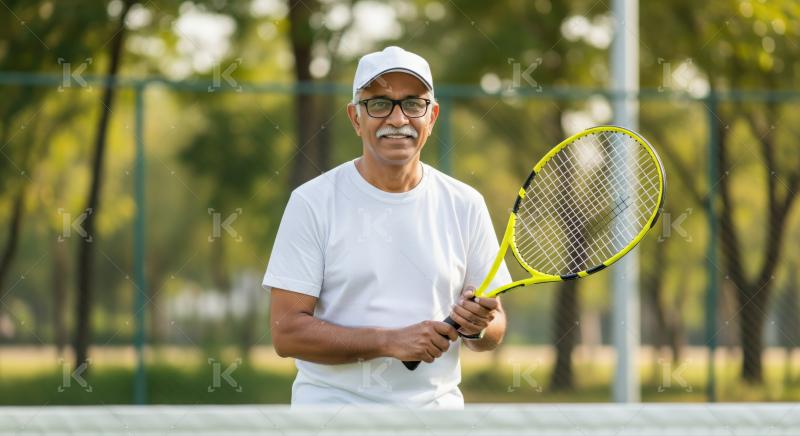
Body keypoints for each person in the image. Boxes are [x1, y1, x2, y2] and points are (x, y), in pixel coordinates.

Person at [263, 46, 512, 408]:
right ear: (355, 117)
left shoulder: (465, 203)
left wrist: (477, 326)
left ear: (432, 116)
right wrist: (388, 341)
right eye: (379, 103)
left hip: (436, 420)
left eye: (413, 103)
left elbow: (494, 326)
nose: (398, 119)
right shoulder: (312, 202)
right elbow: (285, 333)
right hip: (332, 420)